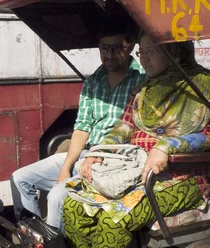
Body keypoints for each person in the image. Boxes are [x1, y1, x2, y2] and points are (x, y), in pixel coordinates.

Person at [63, 34, 210, 248]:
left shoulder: (200, 84)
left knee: (113, 218)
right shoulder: (146, 87)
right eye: (141, 51)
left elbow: (207, 136)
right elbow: (124, 126)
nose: (142, 57)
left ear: (172, 51)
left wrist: (167, 146)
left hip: (184, 178)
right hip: (134, 171)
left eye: (150, 51)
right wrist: (99, 151)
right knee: (73, 207)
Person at [10, 20, 145, 230]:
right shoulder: (93, 82)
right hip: (85, 155)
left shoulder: (141, 81)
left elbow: (134, 130)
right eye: (104, 48)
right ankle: (36, 242)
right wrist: (66, 168)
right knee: (20, 179)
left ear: (129, 47)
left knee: (56, 197)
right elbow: (82, 128)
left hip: (114, 161)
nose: (109, 55)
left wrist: (96, 156)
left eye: (116, 48)